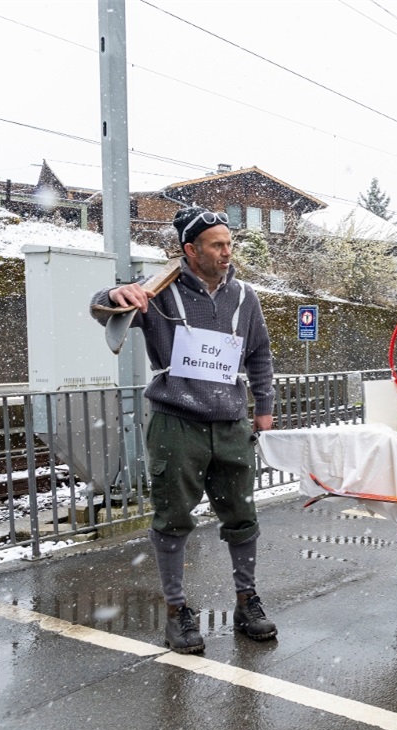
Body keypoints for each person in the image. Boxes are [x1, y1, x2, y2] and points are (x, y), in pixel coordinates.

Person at [90, 206, 277, 654]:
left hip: (230, 423)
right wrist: (118, 293)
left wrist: (264, 406)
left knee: (242, 516)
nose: (226, 252)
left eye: (229, 244)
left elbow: (260, 353)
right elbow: (100, 310)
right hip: (176, 424)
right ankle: (177, 612)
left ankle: (246, 600)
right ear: (190, 250)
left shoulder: (245, 296)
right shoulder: (158, 294)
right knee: (173, 520)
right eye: (217, 245)